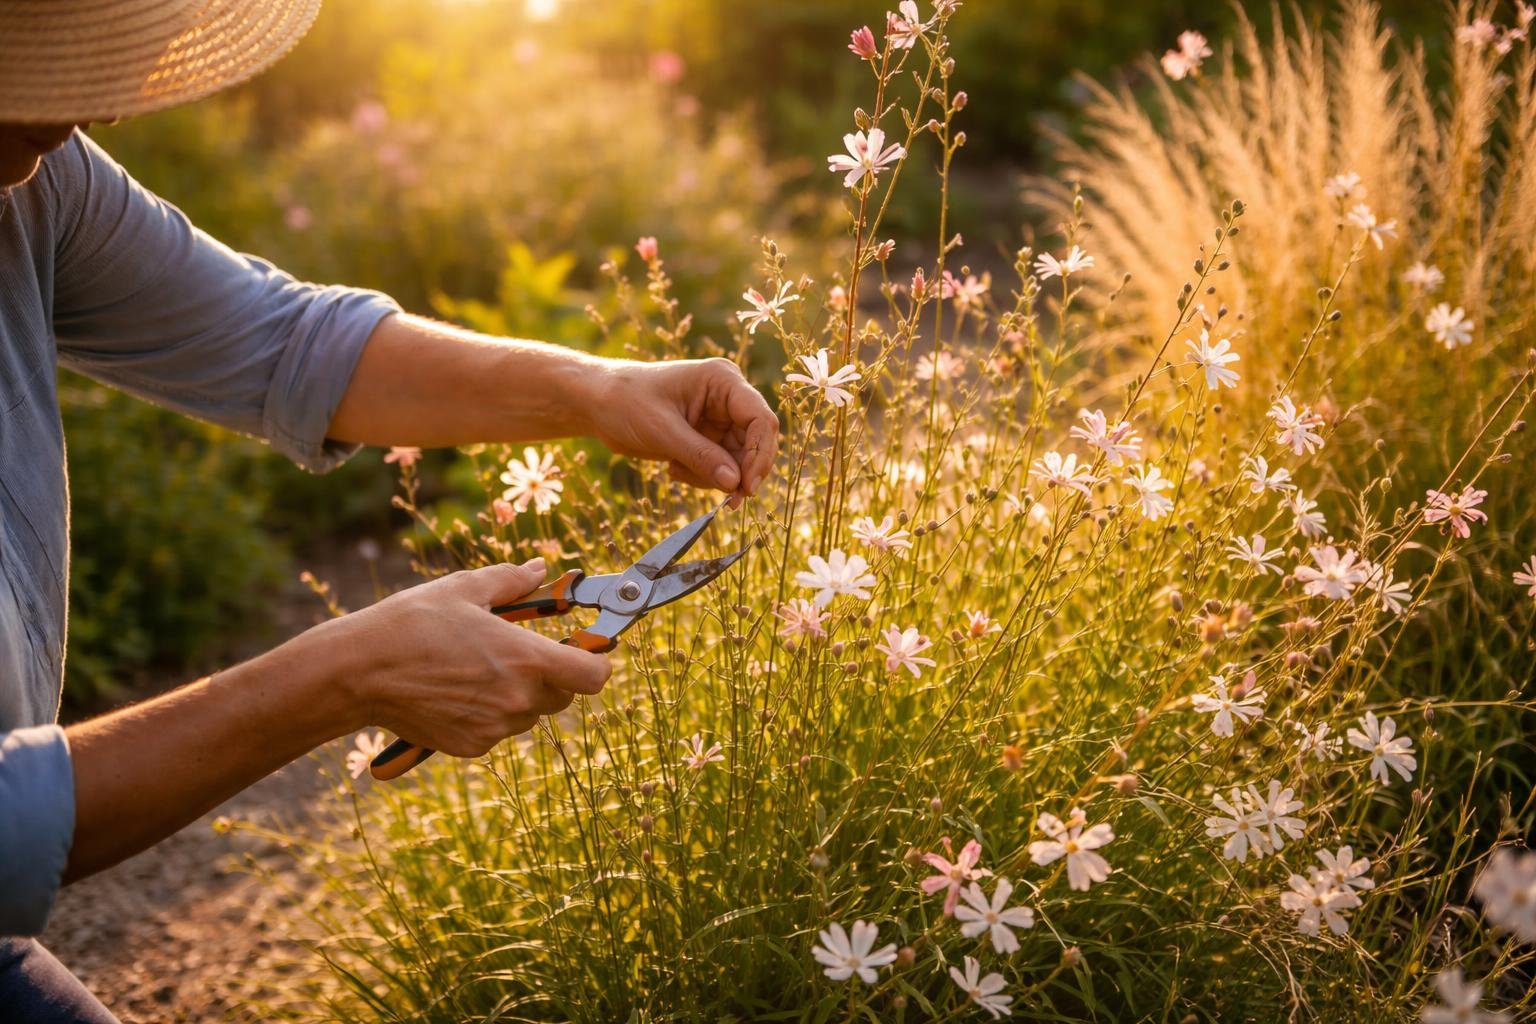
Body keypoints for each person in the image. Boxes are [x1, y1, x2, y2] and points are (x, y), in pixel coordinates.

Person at [0, 3, 778, 1018]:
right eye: (34, 64)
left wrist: (600, 387)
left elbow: (284, 340)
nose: (82, 114)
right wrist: (342, 672)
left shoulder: (33, 187)